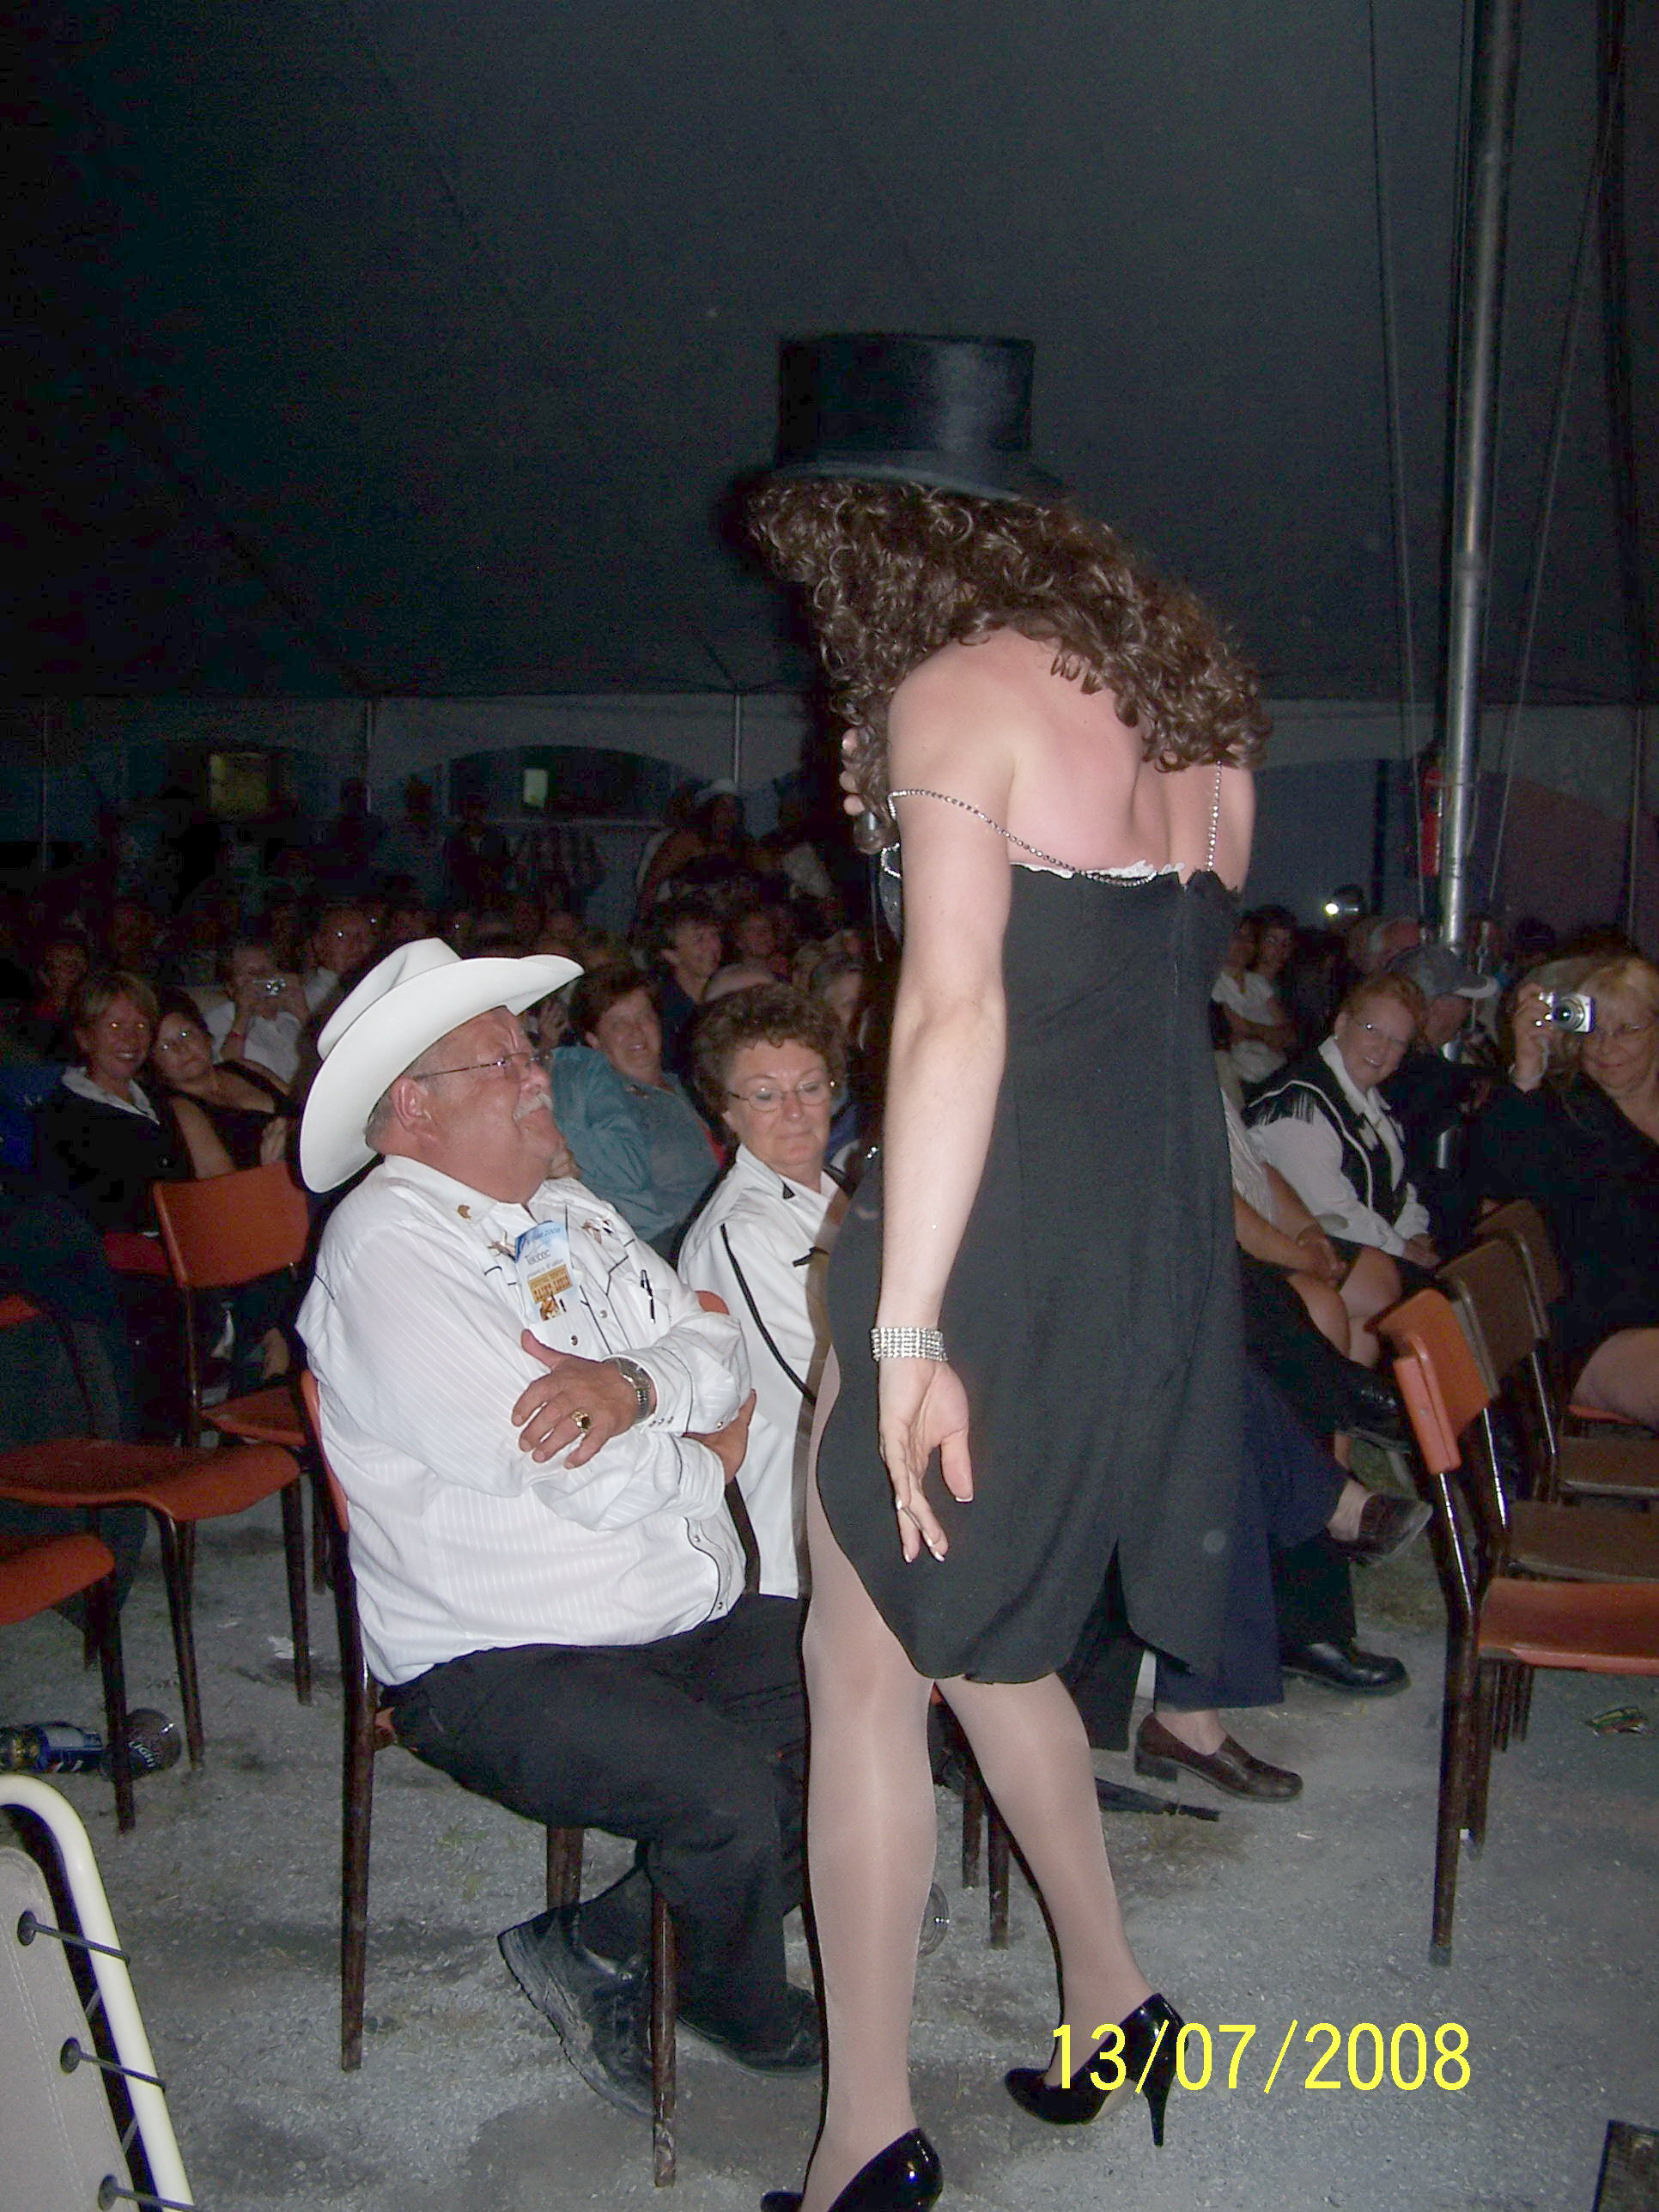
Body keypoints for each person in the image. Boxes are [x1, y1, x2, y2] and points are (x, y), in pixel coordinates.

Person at [746, 332, 1268, 2212]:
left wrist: (905, 1332)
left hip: (984, 1244)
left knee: (861, 1666)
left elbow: (959, 1011)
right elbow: (1139, 1000)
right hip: (1136, 1240)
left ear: (870, 536)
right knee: (986, 1640)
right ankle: (1115, 1996)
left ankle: (863, 2139)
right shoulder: (1193, 704)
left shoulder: (954, 695)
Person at [295, 939, 816, 2117]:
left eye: (527, 1048)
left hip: (664, 1606)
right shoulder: (387, 1252)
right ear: (413, 1110)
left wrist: (631, 1386)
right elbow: (575, 1471)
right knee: (730, 1796)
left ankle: (600, 1942)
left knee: (872, 1697)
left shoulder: (566, 1209)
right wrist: (705, 1457)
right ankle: (726, 1999)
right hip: (496, 1653)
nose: (539, 1074)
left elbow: (716, 1346)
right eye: (503, 1061)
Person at [678, 985, 847, 1598]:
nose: (795, 1112)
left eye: (811, 1087)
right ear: (727, 1112)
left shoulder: (838, 1193)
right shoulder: (739, 1232)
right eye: (766, 1095)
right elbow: (814, 1391)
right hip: (802, 1545)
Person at [1470, 954, 1659, 1425]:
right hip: (1596, 1332)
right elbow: (1496, 1177)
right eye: (1593, 1030)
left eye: (1627, 1030)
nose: (1606, 1047)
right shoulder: (1565, 1112)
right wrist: (1526, 1068)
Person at [1247, 972, 1437, 1273]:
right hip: (1303, 1265)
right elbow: (1331, 1213)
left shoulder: (1374, 1103)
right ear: (1341, 1024)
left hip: (1371, 1257)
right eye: (1372, 1030)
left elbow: (1400, 1188)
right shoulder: (1298, 1105)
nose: (1381, 1049)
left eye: (1396, 1041)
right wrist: (1404, 1250)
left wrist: (1415, 1233)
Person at [550, 965, 719, 1253]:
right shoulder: (605, 1108)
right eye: (619, 1024)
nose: (636, 1031)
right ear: (594, 1040)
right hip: (682, 1246)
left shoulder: (689, 1084)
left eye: (644, 1017)